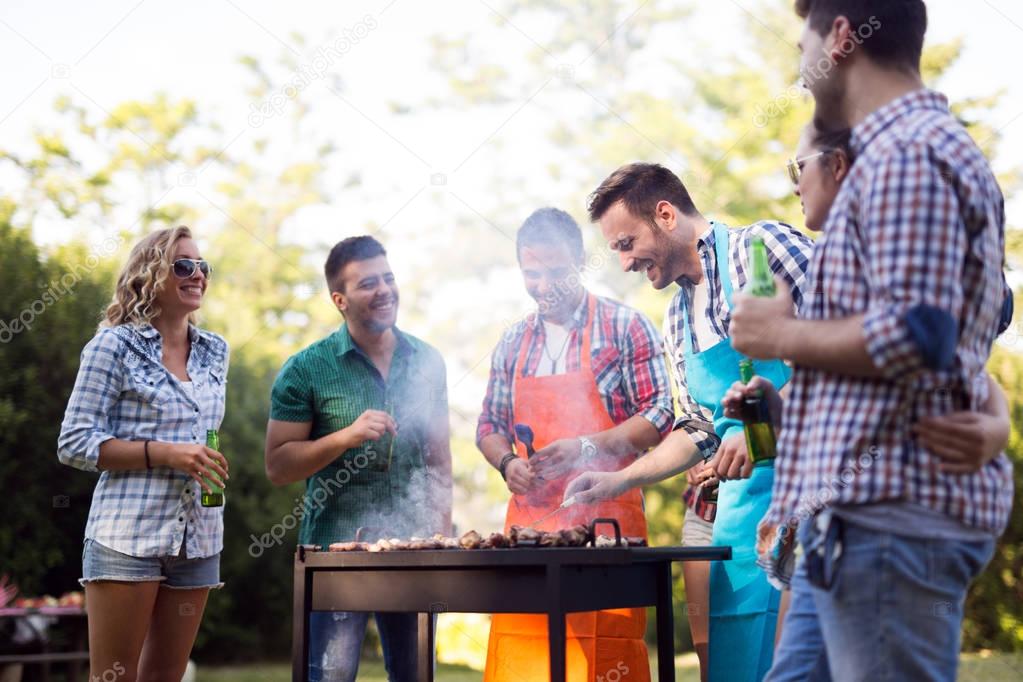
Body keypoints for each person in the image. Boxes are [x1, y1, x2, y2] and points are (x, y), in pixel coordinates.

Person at [730, 2, 1015, 680]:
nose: (801, 70)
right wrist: (783, 405)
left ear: (837, 38)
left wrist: (779, 333)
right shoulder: (889, 160)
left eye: (803, 41)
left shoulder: (906, 152)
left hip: (889, 520)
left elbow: (922, 333)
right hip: (845, 526)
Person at [565, 163, 815, 682]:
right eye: (615, 249)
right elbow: (698, 428)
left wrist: (763, 426)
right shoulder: (675, 318)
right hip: (740, 526)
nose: (625, 261)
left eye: (627, 242)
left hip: (814, 496)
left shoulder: (763, 249)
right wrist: (618, 478)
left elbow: (852, 344)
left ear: (665, 214)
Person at [477, 208, 674, 681]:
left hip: (607, 528)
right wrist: (506, 463)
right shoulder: (513, 341)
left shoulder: (624, 326)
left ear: (580, 262)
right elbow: (488, 424)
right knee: (525, 661)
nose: (544, 286)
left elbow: (660, 416)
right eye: (532, 274)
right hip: (528, 533)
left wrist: (585, 446)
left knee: (608, 658)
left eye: (557, 272)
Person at [265, 235, 451, 682]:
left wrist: (443, 536)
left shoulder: (428, 361)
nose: (384, 290)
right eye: (368, 283)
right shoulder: (305, 369)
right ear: (340, 299)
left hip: (413, 550)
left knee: (415, 676)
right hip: (335, 554)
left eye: (388, 278)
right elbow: (278, 465)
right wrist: (345, 437)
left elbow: (439, 459)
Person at [58, 226, 230, 682]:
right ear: (149, 274)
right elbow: (74, 441)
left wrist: (200, 458)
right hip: (126, 537)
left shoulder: (216, 352)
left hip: (199, 537)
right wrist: (167, 453)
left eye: (201, 267)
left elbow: (203, 433)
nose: (197, 275)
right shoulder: (112, 346)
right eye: (182, 266)